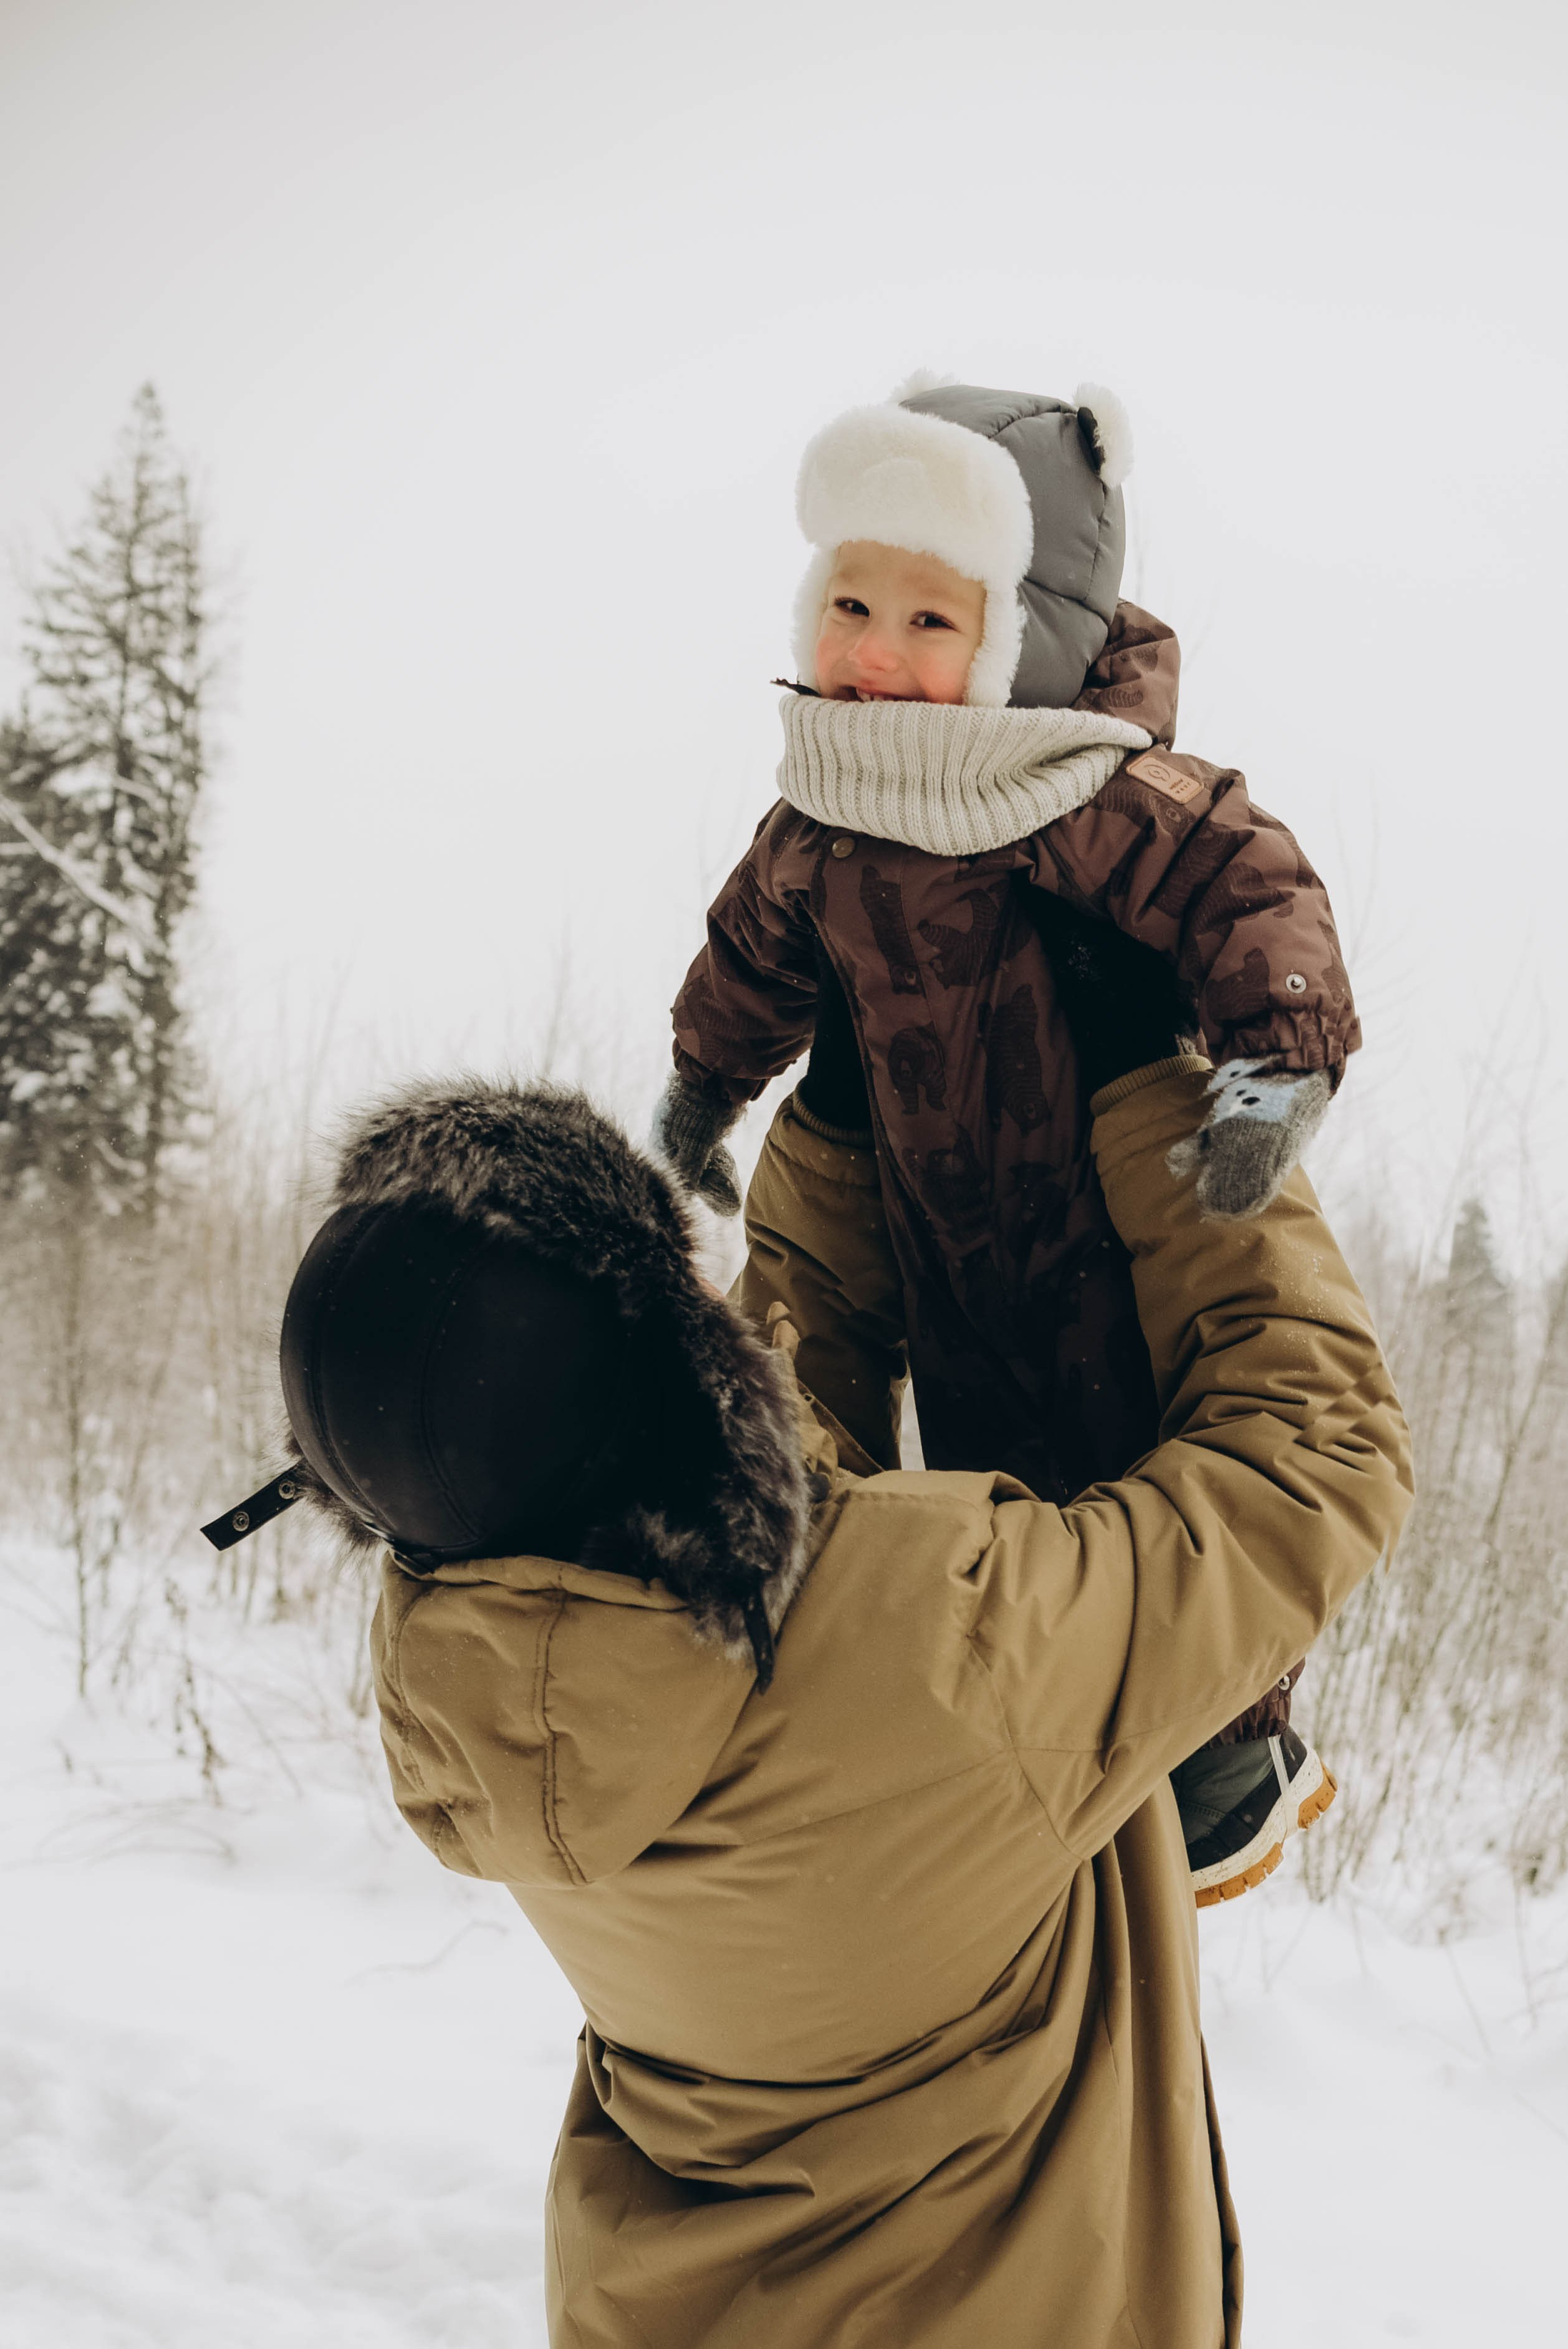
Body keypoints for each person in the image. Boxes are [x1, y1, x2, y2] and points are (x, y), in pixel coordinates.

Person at [206, 921, 1411, 2349]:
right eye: (682, 1308)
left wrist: (841, 1126)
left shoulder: (481, 1667)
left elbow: (769, 1486)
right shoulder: (948, 1662)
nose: (717, 1308)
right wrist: (1156, 1093)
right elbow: (1315, 1457)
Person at [652, 374, 1361, 1902]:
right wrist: (705, 1085)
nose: (874, 653)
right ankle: (1016, 1784)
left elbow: (1250, 887)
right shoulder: (817, 818)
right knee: (992, 1501)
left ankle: (1233, 1771)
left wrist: (1272, 1064)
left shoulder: (1082, 791)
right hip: (930, 1222)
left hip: (1104, 1215)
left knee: (1144, 1473)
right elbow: (748, 956)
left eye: (929, 621)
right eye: (850, 604)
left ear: (1017, 637)